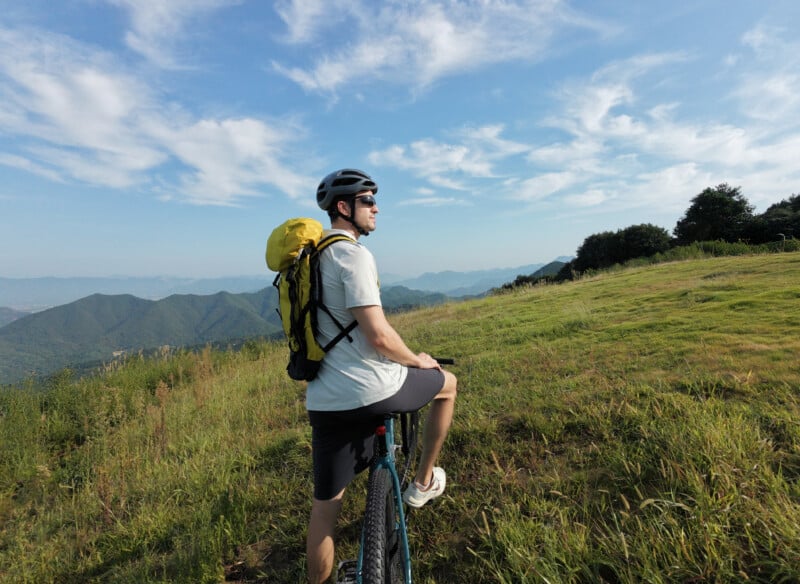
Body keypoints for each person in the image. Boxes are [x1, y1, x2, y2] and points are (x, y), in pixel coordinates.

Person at [304, 168, 458, 583]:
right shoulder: (352, 254)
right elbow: (378, 335)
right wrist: (417, 360)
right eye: (368, 201)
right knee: (448, 385)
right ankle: (423, 482)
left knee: (324, 511)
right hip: (373, 389)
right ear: (344, 207)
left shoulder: (310, 258)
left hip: (324, 400)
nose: (376, 208)